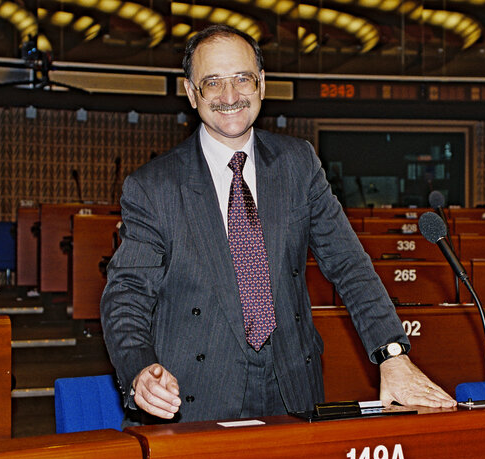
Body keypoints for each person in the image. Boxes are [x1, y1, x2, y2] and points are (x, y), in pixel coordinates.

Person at [101, 24, 456, 425]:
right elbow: (127, 295)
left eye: (242, 79)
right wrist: (139, 370)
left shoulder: (298, 163)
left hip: (294, 391)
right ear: (190, 92)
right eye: (213, 82)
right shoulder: (152, 186)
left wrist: (392, 355)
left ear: (262, 84)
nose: (230, 96)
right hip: (192, 398)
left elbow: (349, 265)